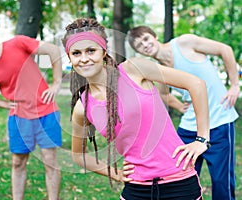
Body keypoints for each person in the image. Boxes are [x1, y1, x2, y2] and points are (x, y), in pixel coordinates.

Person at [62, 18, 210, 200]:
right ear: (69, 57)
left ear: (104, 51)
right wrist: (115, 173)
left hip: (179, 183)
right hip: (136, 189)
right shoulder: (82, 106)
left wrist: (202, 139)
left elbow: (196, 84)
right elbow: (79, 156)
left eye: (91, 50)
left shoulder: (134, 69)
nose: (84, 59)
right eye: (76, 53)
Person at [128, 26, 240, 200]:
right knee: (180, 177)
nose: (145, 45)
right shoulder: (158, 70)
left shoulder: (184, 43)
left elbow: (225, 50)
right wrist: (180, 107)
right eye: (139, 46)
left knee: (221, 182)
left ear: (155, 36)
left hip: (219, 122)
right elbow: (164, 94)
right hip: (188, 128)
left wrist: (234, 85)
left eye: (145, 39)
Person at [0, 24, 62, 200]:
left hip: (46, 111)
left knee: (50, 162)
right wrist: (5, 104)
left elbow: (53, 50)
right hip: (19, 118)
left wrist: (56, 83)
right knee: (18, 163)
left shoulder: (17, 43)